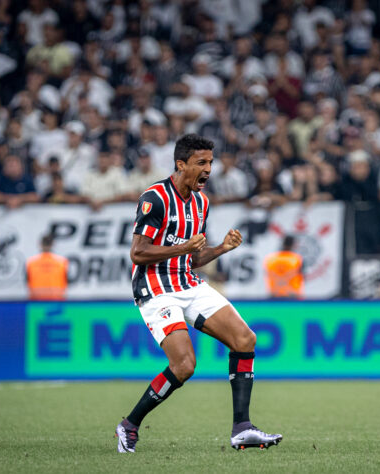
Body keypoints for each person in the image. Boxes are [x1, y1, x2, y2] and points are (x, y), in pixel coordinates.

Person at [117, 134, 282, 453]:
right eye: (201, 163)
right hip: (155, 289)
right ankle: (129, 425)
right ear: (181, 164)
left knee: (245, 339)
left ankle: (242, 428)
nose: (208, 169)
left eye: (210, 162)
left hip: (187, 281)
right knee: (184, 366)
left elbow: (191, 259)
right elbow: (138, 253)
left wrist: (222, 248)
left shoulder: (201, 203)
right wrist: (181, 247)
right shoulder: (156, 198)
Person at [25, 234, 68, 300]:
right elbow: (66, 280)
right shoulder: (61, 262)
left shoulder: (31, 262)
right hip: (56, 299)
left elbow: (27, 281)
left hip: (37, 300)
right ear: (52, 244)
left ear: (40, 244)